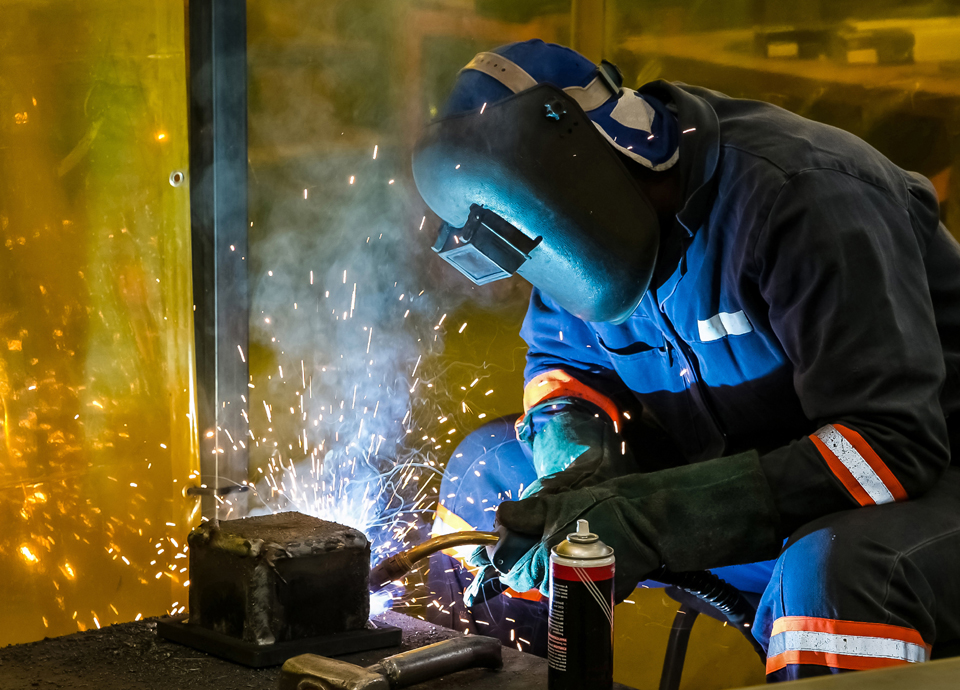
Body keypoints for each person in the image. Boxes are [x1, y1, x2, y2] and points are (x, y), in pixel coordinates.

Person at [412, 39, 960, 681]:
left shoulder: (804, 197)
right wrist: (575, 459)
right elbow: (562, 364)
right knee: (490, 476)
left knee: (838, 574)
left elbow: (892, 445)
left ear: (602, 163)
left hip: (917, 495)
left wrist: (651, 518)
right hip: (729, 482)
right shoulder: (578, 223)